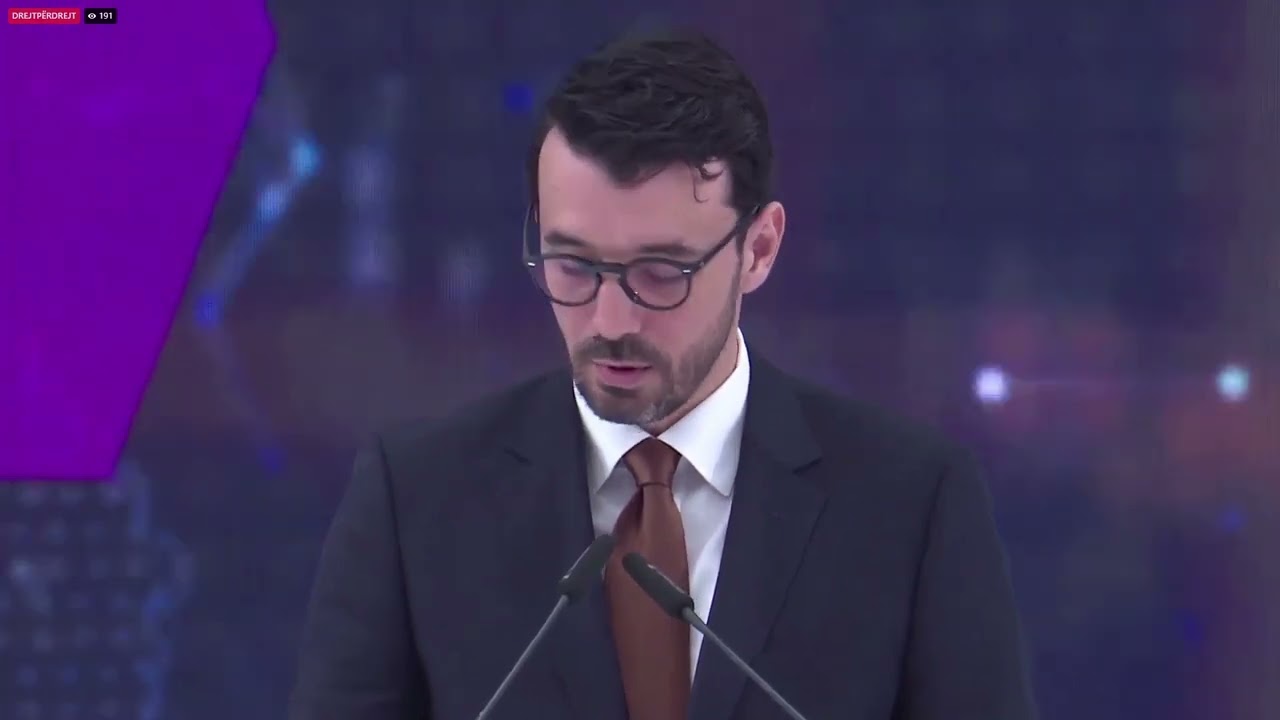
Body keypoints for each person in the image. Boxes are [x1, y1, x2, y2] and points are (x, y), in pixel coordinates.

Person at [288, 28, 1038, 720]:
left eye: (661, 271)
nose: (612, 318)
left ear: (759, 249)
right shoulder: (416, 500)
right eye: (573, 264)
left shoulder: (910, 505)